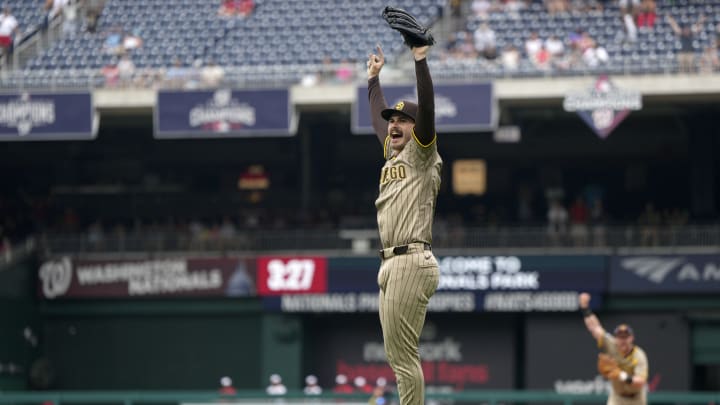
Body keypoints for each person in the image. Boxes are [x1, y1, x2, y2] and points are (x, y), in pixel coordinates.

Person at [365, 35, 441, 405]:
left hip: (411, 258)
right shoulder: (393, 156)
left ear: (416, 128)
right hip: (392, 262)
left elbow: (426, 108)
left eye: (402, 121)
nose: (394, 125)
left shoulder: (422, 154)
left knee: (403, 358)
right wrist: (372, 80)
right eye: (392, 120)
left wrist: (420, 60)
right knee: (398, 357)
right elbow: (379, 120)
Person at [578, 292, 649, 405]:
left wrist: (621, 375)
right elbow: (595, 328)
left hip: (636, 398)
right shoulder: (611, 344)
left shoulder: (638, 355)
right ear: (616, 338)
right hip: (617, 397)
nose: (623, 340)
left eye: (626, 337)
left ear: (632, 338)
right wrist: (585, 309)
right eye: (620, 337)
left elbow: (641, 382)